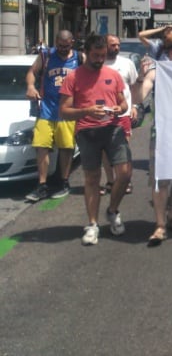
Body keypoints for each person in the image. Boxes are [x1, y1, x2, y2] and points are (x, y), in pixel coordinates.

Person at [59, 34, 130, 246]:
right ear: (86, 53)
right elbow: (64, 111)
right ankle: (92, 224)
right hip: (87, 131)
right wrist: (87, 111)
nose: (100, 59)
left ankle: (112, 210)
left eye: (103, 55)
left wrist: (120, 108)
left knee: (125, 174)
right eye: (96, 55)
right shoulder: (73, 77)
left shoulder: (112, 75)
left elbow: (123, 104)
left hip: (112, 128)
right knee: (92, 178)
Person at [133, 31, 172, 246]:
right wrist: (142, 77)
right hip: (163, 133)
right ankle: (160, 225)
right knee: (161, 179)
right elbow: (139, 96)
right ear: (171, 53)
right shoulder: (158, 70)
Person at [24, 30, 82, 202]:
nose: (63, 49)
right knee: (41, 145)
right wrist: (30, 86)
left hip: (68, 110)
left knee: (66, 148)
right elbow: (31, 72)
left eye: (66, 46)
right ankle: (42, 185)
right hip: (47, 109)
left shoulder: (79, 58)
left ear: (72, 42)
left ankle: (64, 182)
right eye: (60, 46)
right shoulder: (46, 56)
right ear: (56, 42)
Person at [100, 35, 139, 196]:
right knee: (104, 150)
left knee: (123, 149)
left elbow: (135, 86)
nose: (116, 48)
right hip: (102, 113)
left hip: (123, 113)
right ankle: (110, 181)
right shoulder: (97, 63)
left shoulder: (127, 63)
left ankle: (125, 180)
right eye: (112, 45)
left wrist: (135, 106)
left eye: (118, 45)